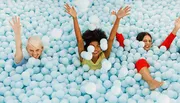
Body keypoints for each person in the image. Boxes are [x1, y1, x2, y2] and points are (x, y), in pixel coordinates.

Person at [116, 16, 180, 90]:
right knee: (141, 61)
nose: (148, 43)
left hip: (157, 72)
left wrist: (176, 28)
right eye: (145, 41)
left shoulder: (154, 50)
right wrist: (116, 20)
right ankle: (151, 82)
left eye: (149, 41)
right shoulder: (132, 49)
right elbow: (121, 40)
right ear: (139, 42)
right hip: (138, 74)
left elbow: (166, 43)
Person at [64, 4, 130, 70]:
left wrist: (118, 18)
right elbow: (79, 39)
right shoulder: (84, 57)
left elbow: (111, 39)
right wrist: (74, 18)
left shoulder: (104, 55)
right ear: (87, 47)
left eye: (98, 45)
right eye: (92, 46)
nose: (95, 49)